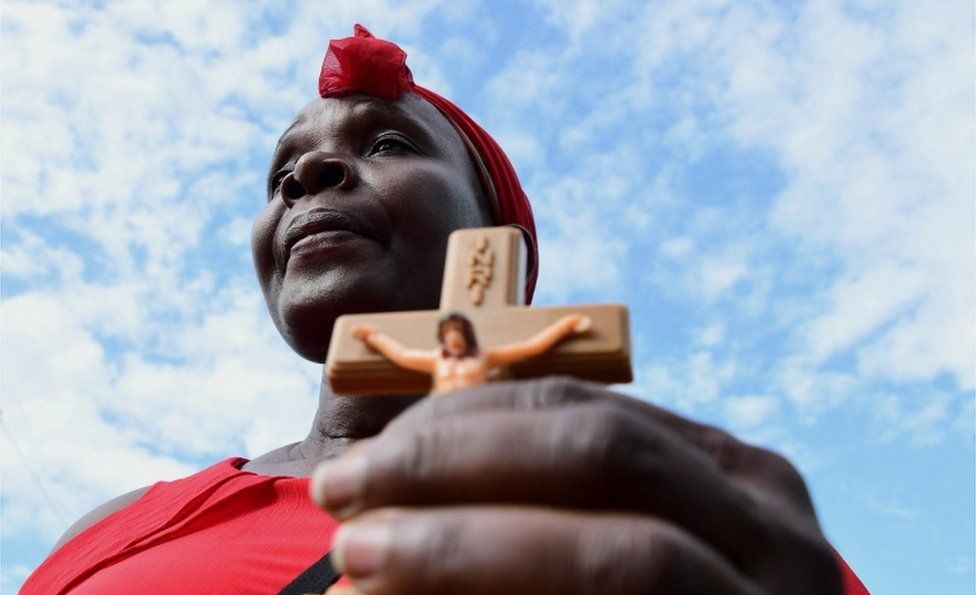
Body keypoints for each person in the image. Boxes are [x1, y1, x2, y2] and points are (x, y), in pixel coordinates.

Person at [22, 26, 868, 595]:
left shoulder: (673, 512)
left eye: (387, 143)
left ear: (503, 247)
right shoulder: (107, 527)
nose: (305, 177)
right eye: (282, 170)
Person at [352, 311, 592, 395]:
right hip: (439, 414)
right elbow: (402, 355)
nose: (455, 340)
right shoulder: (436, 359)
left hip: (474, 408)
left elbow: (531, 347)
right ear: (443, 339)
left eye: (459, 334)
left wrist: (564, 327)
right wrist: (373, 338)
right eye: (449, 335)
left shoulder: (483, 357)